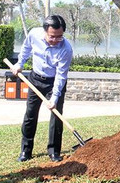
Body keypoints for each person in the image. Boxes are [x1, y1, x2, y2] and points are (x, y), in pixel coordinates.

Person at [11, 15, 74, 162]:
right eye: (52, 36)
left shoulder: (66, 49)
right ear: (45, 31)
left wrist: (54, 98)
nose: (55, 40)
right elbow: (26, 49)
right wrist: (20, 64)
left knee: (56, 116)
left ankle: (54, 151)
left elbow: (61, 75)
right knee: (30, 115)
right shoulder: (34, 34)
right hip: (36, 79)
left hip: (54, 82)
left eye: (59, 37)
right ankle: (25, 151)